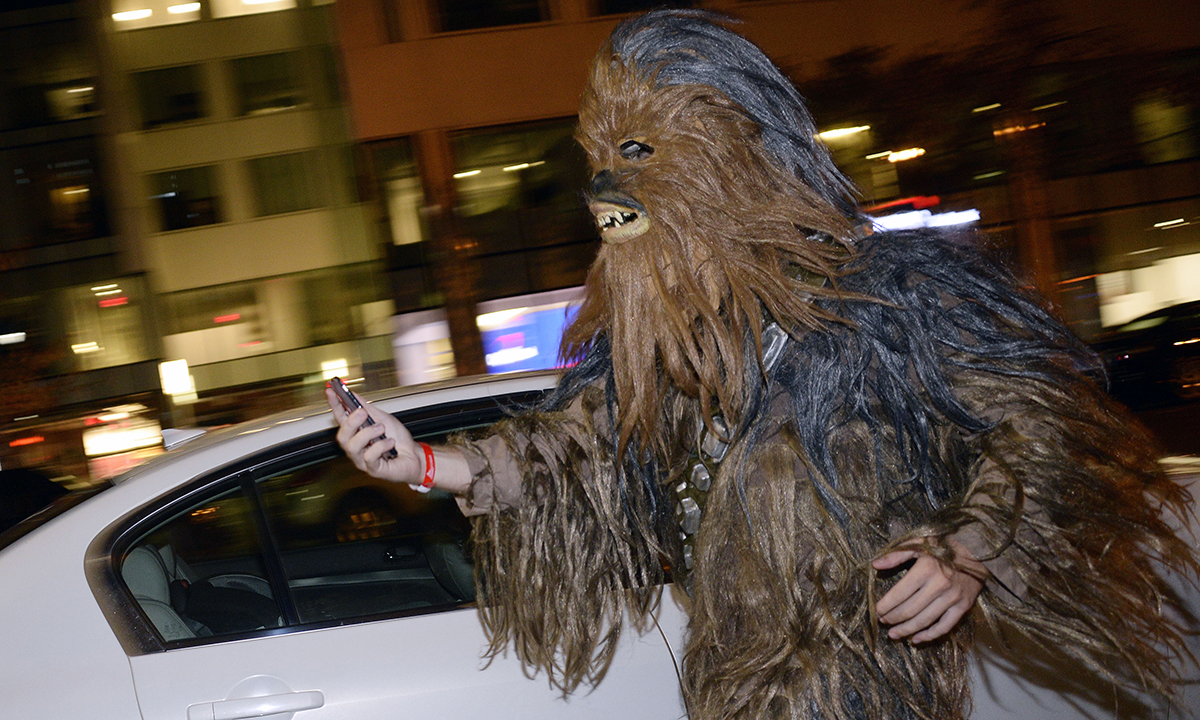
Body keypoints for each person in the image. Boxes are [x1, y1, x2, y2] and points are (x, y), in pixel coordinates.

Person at [330, 10, 1196, 720]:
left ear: (728, 160)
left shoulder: (886, 301)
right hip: (730, 693)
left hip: (864, 690)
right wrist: (424, 464)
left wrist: (968, 552)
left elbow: (1039, 423)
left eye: (637, 156)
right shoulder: (662, 353)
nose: (605, 190)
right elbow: (569, 453)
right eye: (598, 164)